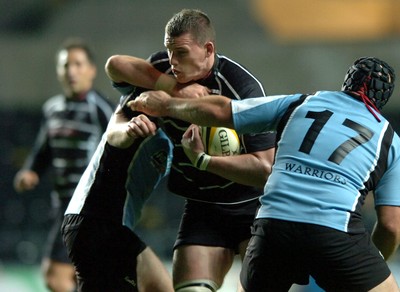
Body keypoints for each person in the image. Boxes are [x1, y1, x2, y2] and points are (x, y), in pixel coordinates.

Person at [128, 56, 400, 291]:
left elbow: (224, 110)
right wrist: (371, 262)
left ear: (347, 82)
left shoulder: (302, 103)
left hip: (273, 227)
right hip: (335, 233)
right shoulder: (390, 139)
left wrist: (166, 105)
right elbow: (390, 225)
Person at [105, 8, 276, 292]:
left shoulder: (242, 89)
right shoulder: (164, 69)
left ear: (208, 49)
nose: (172, 61)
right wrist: (174, 89)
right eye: (169, 51)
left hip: (254, 208)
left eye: (181, 53)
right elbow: (115, 65)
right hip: (203, 208)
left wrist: (205, 161)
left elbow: (264, 170)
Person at [13, 38, 115, 292]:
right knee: (79, 277)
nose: (72, 71)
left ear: (92, 70)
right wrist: (30, 171)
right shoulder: (52, 110)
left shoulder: (101, 109)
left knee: (56, 275)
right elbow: (42, 152)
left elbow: (119, 151)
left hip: (88, 208)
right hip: (62, 207)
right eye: (66, 65)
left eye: (78, 64)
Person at [61, 88, 175, 291]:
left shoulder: (178, 131)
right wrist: (130, 129)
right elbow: (116, 130)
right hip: (94, 221)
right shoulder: (138, 108)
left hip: (107, 227)